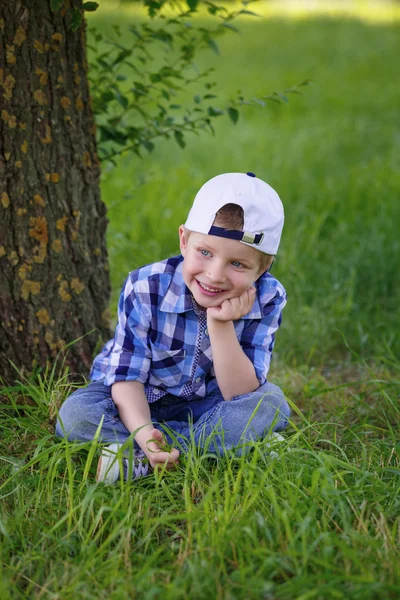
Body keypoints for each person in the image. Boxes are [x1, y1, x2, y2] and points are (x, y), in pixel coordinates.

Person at [56, 172, 290, 483]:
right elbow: (126, 380)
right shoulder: (145, 286)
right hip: (135, 398)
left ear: (263, 267)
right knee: (74, 416)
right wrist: (144, 433)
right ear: (184, 240)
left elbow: (240, 393)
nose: (215, 274)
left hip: (208, 402)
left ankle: (137, 459)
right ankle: (234, 444)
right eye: (205, 253)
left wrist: (220, 324)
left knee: (270, 404)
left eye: (238, 264)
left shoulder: (268, 298)